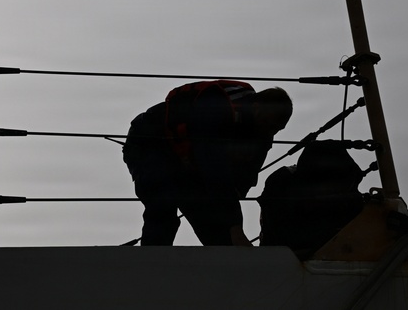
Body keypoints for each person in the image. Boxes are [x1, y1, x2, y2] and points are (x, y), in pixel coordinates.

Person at [122, 80, 292, 246]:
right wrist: (235, 226)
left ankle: (227, 261)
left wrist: (231, 219)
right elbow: (213, 167)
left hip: (188, 160)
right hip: (150, 143)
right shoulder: (217, 105)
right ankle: (151, 265)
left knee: (214, 223)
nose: (270, 132)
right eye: (267, 124)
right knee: (163, 206)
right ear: (256, 107)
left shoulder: (263, 132)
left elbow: (243, 179)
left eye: (276, 129)